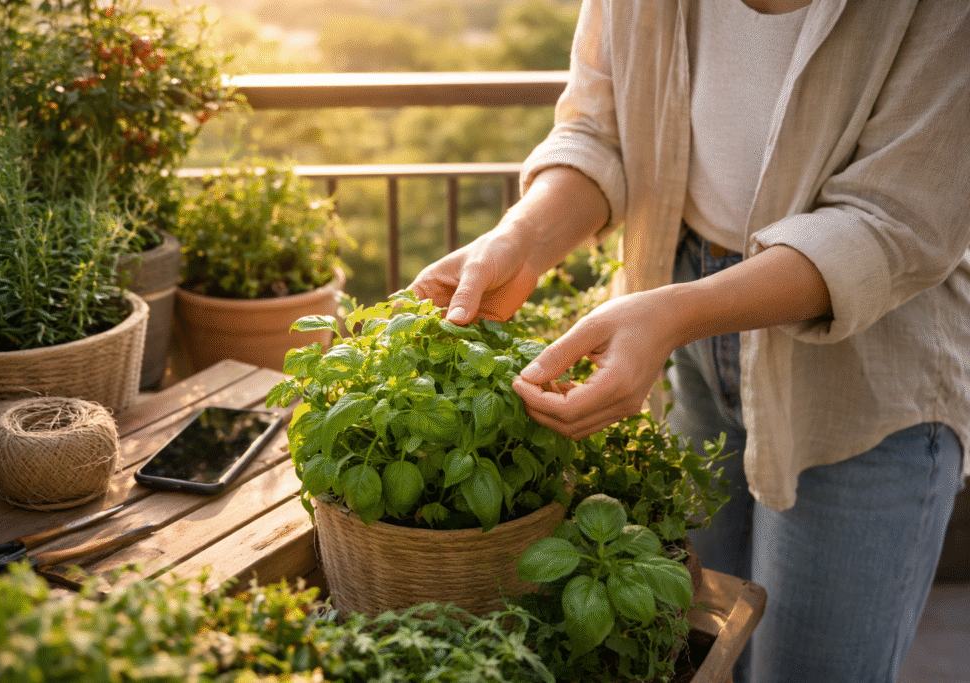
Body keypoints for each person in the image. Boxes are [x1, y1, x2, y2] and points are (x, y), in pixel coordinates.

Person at [409, 1, 970, 681]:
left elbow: (892, 220)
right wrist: (519, 240)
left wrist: (672, 315)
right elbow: (597, 131)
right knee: (692, 647)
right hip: (687, 334)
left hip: (864, 373)